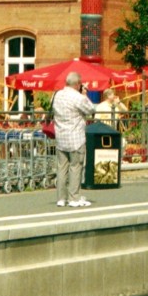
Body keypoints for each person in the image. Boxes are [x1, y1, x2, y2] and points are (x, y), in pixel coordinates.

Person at [51, 72, 97, 208]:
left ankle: (61, 198)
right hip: (75, 138)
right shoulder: (78, 97)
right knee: (76, 167)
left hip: (60, 137)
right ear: (78, 84)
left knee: (61, 168)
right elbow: (91, 109)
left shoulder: (57, 95)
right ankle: (74, 198)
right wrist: (84, 95)